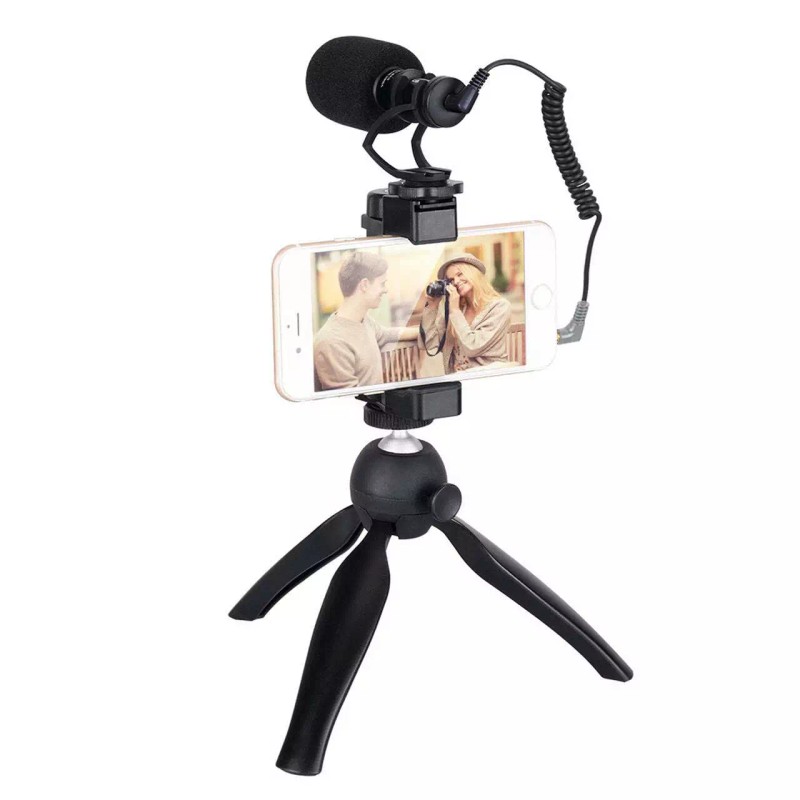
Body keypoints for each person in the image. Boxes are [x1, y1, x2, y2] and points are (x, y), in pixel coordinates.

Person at [314, 251, 418, 390]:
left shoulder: (364, 321)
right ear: (364, 285)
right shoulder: (332, 342)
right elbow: (348, 399)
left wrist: (424, 332)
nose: (385, 290)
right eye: (382, 284)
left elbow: (388, 334)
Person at [419, 254, 512, 374]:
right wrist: (432, 307)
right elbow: (428, 343)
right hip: (457, 378)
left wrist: (455, 311)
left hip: (488, 375)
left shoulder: (500, 307)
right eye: (451, 280)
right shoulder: (455, 308)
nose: (456, 282)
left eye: (460, 274)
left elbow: (472, 348)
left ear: (473, 273)